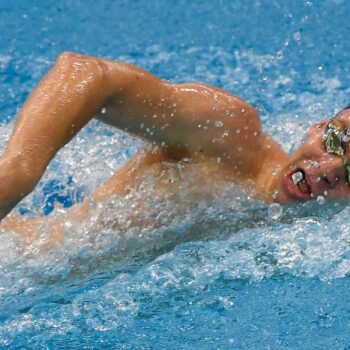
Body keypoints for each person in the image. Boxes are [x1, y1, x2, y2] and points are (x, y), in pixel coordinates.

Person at [0, 51, 349, 240]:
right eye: (337, 139)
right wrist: (18, 173)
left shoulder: (318, 242)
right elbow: (88, 73)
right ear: (318, 127)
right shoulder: (230, 134)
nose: (330, 169)